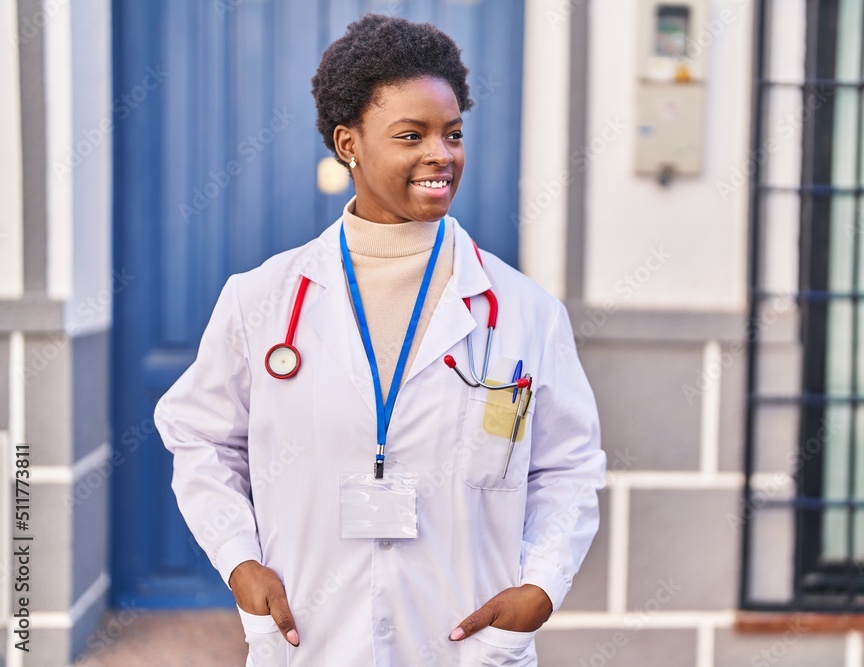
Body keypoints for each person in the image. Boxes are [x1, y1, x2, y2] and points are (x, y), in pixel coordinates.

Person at [154, 13, 605, 667]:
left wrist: (541, 586)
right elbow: (199, 439)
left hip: (466, 641)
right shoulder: (263, 300)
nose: (441, 155)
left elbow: (567, 464)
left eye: (452, 134)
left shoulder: (525, 311)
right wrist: (239, 562)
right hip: (311, 637)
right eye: (411, 135)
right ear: (349, 143)